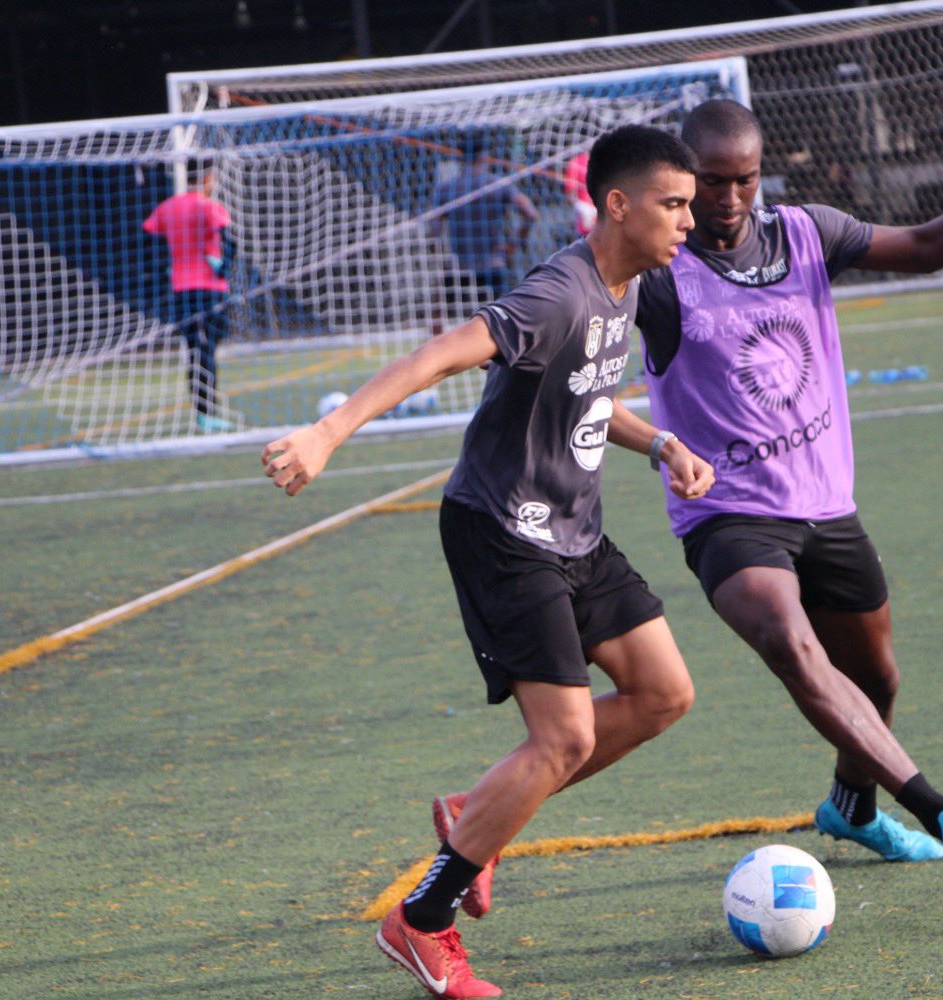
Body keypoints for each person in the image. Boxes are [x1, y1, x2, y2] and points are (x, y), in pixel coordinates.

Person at [263, 124, 714, 999]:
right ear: (617, 205)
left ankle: (477, 813)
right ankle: (419, 921)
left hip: (572, 527)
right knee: (565, 736)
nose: (690, 222)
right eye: (674, 204)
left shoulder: (625, 286)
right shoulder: (558, 292)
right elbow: (438, 353)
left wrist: (660, 442)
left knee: (664, 695)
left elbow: (588, 391)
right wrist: (327, 431)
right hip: (503, 531)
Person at [623, 98, 943, 874]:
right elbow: (582, 312)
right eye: (710, 182)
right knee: (792, 642)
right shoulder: (662, 273)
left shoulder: (809, 233)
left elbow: (925, 247)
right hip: (729, 515)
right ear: (684, 177)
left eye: (743, 180)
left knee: (877, 678)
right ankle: (942, 811)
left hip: (825, 507)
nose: (729, 199)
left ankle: (852, 807)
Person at [143, 170, 236, 432]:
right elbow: (231, 239)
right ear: (207, 178)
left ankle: (203, 412)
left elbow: (147, 237)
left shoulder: (167, 208)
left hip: (181, 290)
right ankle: (207, 412)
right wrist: (222, 268)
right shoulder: (208, 206)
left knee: (196, 350)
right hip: (210, 289)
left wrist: (164, 267)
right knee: (206, 351)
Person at [431, 134, 541, 308]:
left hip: (460, 267)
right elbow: (530, 214)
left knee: (437, 311)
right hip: (492, 265)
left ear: (460, 157)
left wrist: (440, 258)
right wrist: (514, 245)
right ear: (483, 156)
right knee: (502, 318)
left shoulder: (446, 189)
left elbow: (434, 231)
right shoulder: (496, 184)